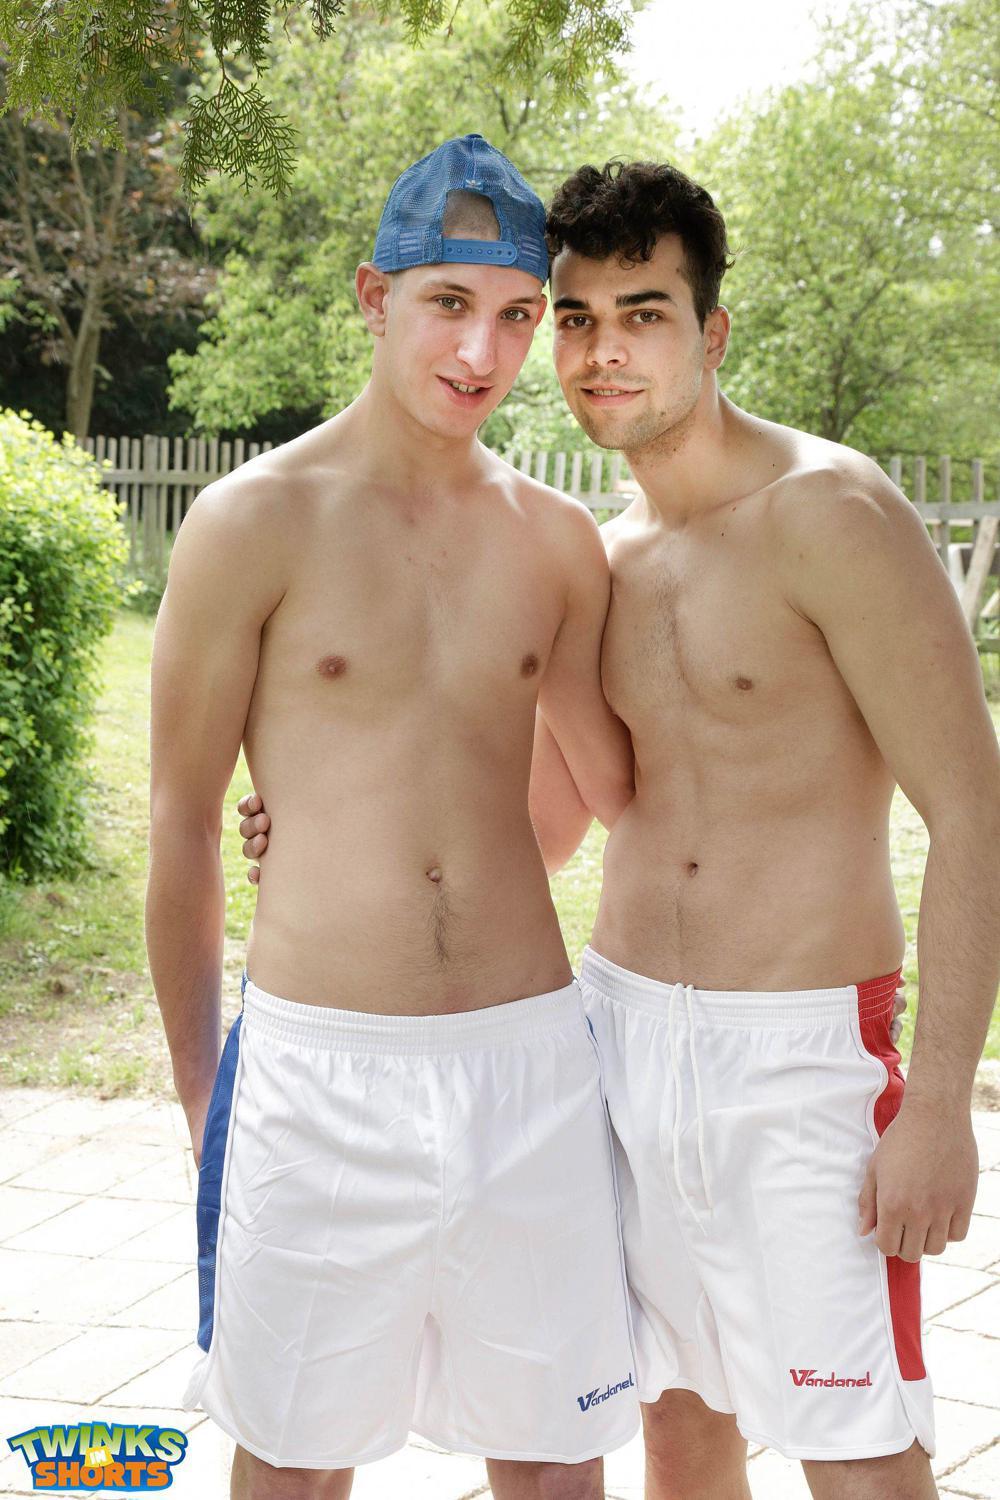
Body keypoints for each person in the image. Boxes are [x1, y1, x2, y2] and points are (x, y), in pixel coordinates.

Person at [239, 159, 1000, 1500]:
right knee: (677, 1424)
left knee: (860, 1451)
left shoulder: (834, 513)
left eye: (645, 314)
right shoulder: (601, 559)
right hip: (618, 1043)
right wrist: (330, 818)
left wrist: (940, 1102)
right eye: (579, 318)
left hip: (802, 1060)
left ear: (713, 332)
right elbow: (549, 824)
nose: (605, 351)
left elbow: (974, 809)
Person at [145, 135, 641, 1500]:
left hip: (527, 1067)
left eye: (519, 315)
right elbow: (182, 825)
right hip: (317, 1074)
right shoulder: (250, 523)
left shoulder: (559, 541)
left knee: (556, 1462)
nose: (482, 351)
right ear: (375, 297)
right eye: (448, 303)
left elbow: (583, 805)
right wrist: (204, 1097)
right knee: (295, 1466)